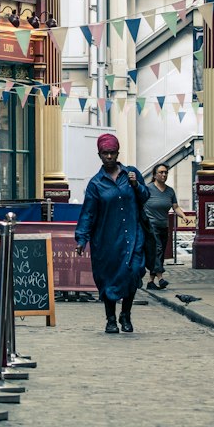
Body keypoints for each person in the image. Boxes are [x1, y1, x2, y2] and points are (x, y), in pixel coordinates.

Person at [75, 133, 149, 334]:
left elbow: (145, 197)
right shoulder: (96, 184)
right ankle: (110, 319)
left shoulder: (131, 174)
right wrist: (81, 238)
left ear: (118, 153)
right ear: (99, 154)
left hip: (132, 236)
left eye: (112, 153)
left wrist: (136, 185)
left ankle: (126, 314)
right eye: (105, 153)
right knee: (108, 277)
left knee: (133, 272)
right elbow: (88, 213)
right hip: (106, 240)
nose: (109, 157)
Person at [144, 162, 177, 290]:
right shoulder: (148, 189)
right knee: (157, 249)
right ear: (154, 175)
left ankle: (150, 282)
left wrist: (184, 216)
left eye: (166, 172)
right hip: (151, 226)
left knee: (160, 253)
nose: (164, 175)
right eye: (161, 172)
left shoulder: (170, 191)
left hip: (164, 226)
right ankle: (160, 278)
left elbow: (175, 207)